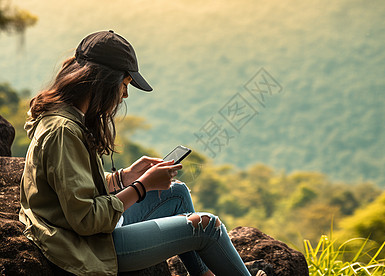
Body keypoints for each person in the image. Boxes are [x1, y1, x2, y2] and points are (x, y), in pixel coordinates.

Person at [19, 30, 254, 276]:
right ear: (104, 82)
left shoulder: (64, 115)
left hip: (83, 232)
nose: (125, 94)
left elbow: (71, 187)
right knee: (208, 227)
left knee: (176, 194)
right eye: (124, 84)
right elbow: (87, 219)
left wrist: (124, 177)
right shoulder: (65, 131)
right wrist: (142, 186)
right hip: (83, 246)